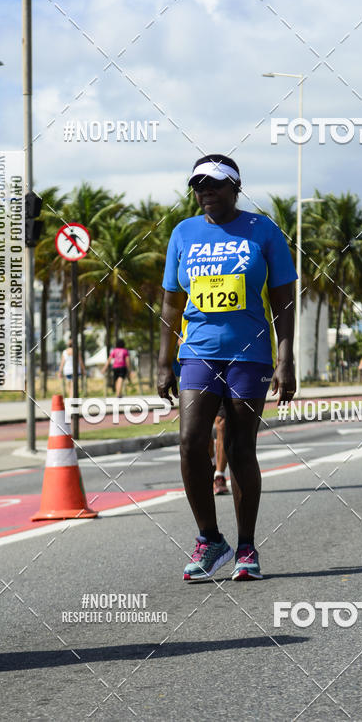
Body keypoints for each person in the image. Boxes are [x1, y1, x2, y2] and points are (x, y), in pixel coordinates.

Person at [157, 154, 296, 582]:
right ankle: (209, 538)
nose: (205, 190)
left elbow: (284, 299)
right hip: (197, 351)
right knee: (189, 440)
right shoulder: (184, 233)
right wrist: (163, 360)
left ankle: (247, 547)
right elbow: (169, 302)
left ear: (236, 186)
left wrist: (286, 359)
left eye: (215, 183)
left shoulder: (263, 230)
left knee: (239, 448)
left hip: (249, 353)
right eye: (198, 184)